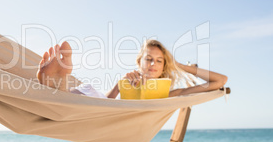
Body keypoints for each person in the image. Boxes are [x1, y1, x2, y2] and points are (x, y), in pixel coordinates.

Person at [35, 40, 227, 98]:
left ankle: (56, 84)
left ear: (164, 67)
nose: (153, 64)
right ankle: (57, 83)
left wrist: (180, 66)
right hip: (98, 107)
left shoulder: (169, 95)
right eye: (149, 59)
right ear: (139, 62)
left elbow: (220, 81)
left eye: (159, 61)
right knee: (89, 98)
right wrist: (120, 86)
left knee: (72, 100)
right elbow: (106, 103)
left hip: (111, 120)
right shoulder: (129, 79)